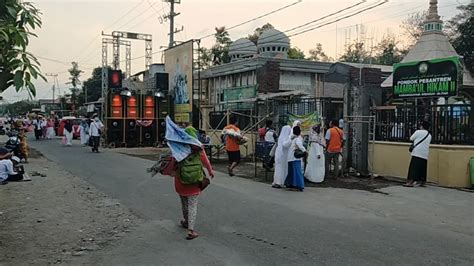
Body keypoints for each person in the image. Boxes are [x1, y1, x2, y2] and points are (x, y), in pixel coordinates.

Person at [173, 126, 215, 240]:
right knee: (192, 205)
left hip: (181, 181)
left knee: (184, 203)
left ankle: (186, 221)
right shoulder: (198, 147)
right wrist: (210, 171)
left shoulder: (178, 147)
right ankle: (191, 230)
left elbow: (172, 163)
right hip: (195, 180)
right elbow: (205, 160)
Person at [404, 121, 432, 187]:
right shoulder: (429, 135)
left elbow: (411, 138)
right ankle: (422, 182)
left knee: (414, 168)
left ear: (422, 126)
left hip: (417, 152)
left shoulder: (418, 132)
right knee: (423, 168)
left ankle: (411, 182)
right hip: (425, 153)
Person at [285, 126, 306, 191]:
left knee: (291, 171)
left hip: (290, 157)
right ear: (299, 132)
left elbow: (285, 145)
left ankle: (290, 183)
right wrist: (305, 151)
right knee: (297, 171)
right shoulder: (297, 139)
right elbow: (300, 146)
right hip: (295, 158)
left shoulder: (290, 137)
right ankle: (300, 185)